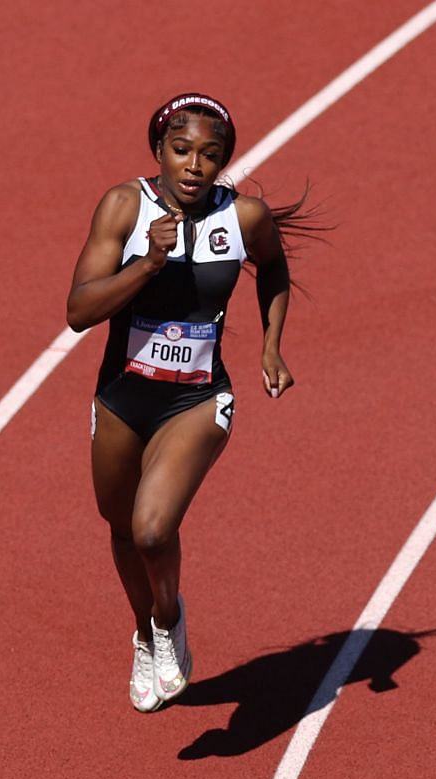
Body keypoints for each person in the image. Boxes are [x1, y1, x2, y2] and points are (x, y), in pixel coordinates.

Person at [65, 92, 300, 712]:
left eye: (210, 155)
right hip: (121, 398)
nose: (196, 165)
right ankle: (142, 633)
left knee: (151, 529)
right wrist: (147, 264)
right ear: (159, 153)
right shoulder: (124, 206)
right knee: (119, 527)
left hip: (198, 399)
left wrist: (271, 346)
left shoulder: (244, 216)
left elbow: (273, 270)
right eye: (182, 151)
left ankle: (167, 621)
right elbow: (78, 312)